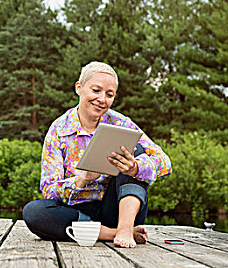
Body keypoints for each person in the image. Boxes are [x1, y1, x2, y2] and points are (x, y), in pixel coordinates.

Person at [23, 61, 172, 248]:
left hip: (118, 209)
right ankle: (113, 234)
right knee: (34, 212)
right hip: (76, 214)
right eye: (96, 90)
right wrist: (81, 179)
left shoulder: (121, 123)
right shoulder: (58, 130)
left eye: (109, 95)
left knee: (138, 153)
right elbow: (48, 190)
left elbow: (165, 162)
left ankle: (125, 228)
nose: (102, 99)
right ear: (79, 88)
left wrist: (135, 168)